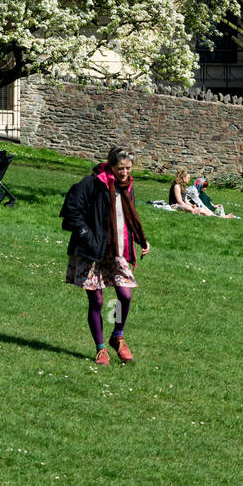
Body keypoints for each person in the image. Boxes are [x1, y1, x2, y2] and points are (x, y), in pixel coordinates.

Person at [61, 145, 150, 365]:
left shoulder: (127, 185)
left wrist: (140, 238)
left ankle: (117, 335)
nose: (125, 173)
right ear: (111, 165)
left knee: (124, 295)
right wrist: (87, 236)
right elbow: (72, 210)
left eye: (128, 168)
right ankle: (101, 348)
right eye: (120, 168)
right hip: (92, 250)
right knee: (97, 300)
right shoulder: (92, 183)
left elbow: (128, 216)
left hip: (116, 250)